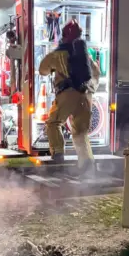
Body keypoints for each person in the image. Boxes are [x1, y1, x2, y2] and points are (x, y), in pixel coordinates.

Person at [37, 20, 100, 174]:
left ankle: (58, 153)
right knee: (80, 132)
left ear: (64, 36)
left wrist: (54, 68)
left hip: (67, 94)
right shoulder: (85, 54)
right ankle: (87, 166)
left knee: (53, 122)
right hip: (86, 96)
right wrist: (89, 90)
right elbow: (96, 73)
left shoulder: (58, 53)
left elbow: (42, 70)